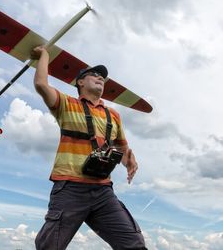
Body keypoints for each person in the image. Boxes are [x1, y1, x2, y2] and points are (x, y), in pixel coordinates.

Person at [31, 45, 147, 250]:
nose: (100, 77)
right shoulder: (67, 105)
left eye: (103, 77)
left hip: (103, 191)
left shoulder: (113, 115)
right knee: (49, 246)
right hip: (70, 188)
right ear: (80, 82)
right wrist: (44, 55)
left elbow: (123, 150)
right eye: (94, 74)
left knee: (134, 244)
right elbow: (41, 84)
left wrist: (129, 161)